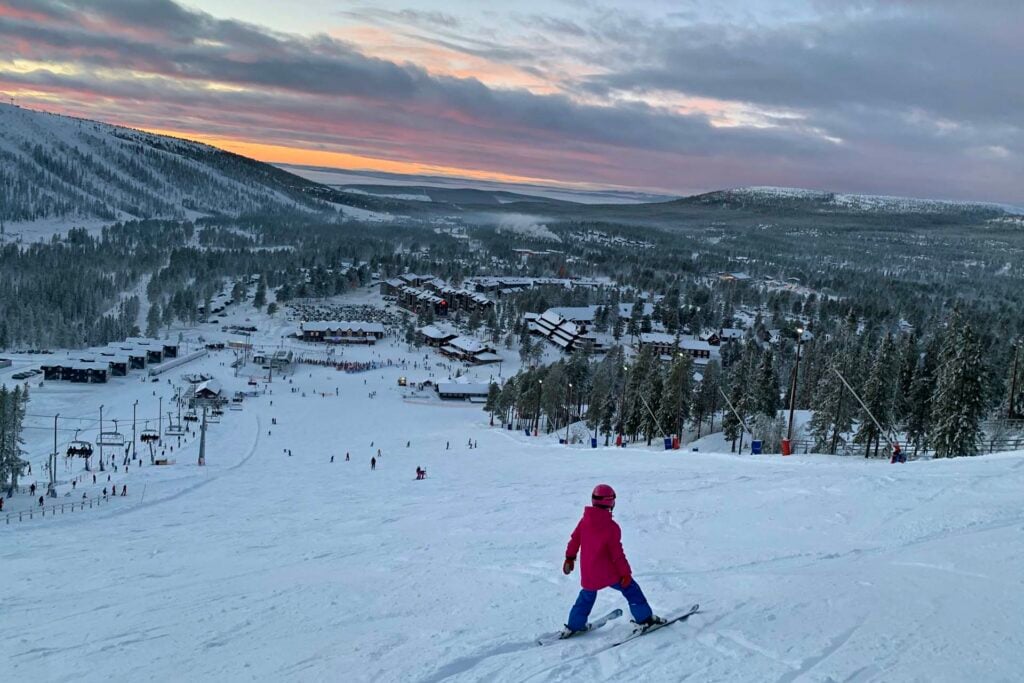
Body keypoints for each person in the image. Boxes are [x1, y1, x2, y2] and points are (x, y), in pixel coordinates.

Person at [560, 484, 663, 637]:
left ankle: (575, 625)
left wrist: (569, 557)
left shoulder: (584, 521)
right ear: (610, 502)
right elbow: (617, 555)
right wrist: (626, 573)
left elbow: (575, 540)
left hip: (588, 571)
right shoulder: (611, 527)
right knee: (631, 590)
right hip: (608, 572)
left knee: (586, 597)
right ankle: (645, 619)